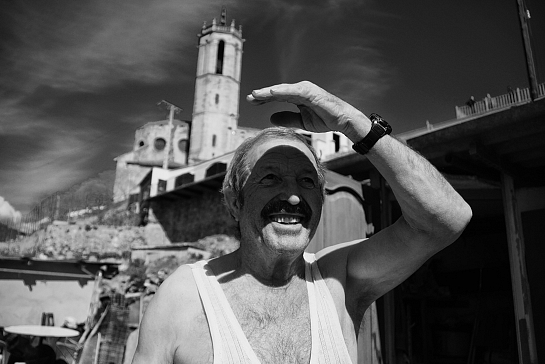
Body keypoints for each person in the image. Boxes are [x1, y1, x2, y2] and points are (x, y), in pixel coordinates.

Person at [132, 81, 472, 364]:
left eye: (308, 181)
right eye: (270, 178)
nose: (293, 196)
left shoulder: (339, 280)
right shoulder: (185, 295)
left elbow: (446, 219)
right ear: (235, 201)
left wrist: (354, 125)